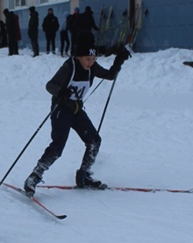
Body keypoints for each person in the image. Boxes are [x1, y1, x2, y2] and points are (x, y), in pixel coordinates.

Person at [22, 34, 130, 197]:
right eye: (87, 59)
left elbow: (109, 76)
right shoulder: (69, 67)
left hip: (77, 110)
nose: (91, 62)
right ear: (78, 56)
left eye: (93, 58)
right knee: (57, 147)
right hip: (61, 110)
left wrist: (119, 61)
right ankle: (34, 177)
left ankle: (84, 176)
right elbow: (50, 85)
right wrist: (61, 92)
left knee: (94, 141)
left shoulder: (92, 67)